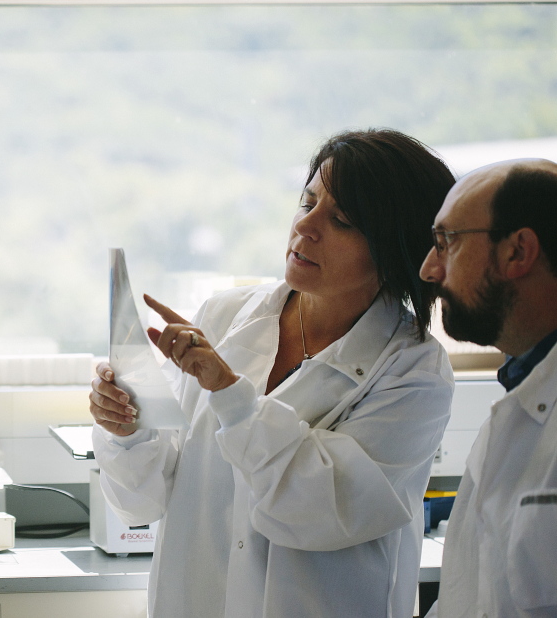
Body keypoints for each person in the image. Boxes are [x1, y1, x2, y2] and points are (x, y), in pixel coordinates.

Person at [90, 128, 456, 617]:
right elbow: (146, 498)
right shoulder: (222, 317)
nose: (306, 228)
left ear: (394, 249)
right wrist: (127, 429)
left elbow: (316, 511)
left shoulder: (413, 370)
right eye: (307, 204)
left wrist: (229, 392)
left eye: (342, 220)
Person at [420, 159, 557, 618]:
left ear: (518, 251)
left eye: (447, 242)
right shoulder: (519, 395)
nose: (428, 269)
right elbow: (467, 595)